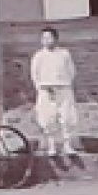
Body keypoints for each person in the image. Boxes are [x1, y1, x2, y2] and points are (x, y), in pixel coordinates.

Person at [30, 27, 80, 156]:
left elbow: (71, 71)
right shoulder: (38, 56)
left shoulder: (64, 54)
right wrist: (43, 88)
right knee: (47, 119)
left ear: (56, 39)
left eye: (49, 37)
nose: (46, 40)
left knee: (66, 117)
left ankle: (67, 145)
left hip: (63, 89)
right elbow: (34, 74)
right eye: (44, 38)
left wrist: (63, 85)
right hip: (46, 90)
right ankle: (51, 146)